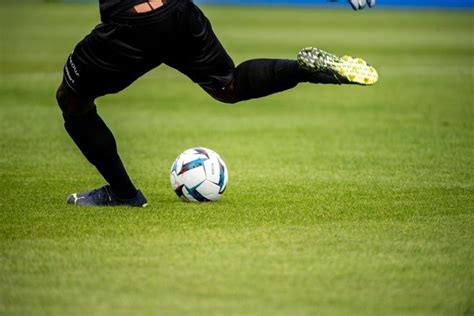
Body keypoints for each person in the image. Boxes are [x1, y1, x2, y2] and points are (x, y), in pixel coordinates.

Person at [57, 0, 378, 207]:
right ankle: (304, 69)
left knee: (72, 99)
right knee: (228, 84)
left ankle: (124, 194)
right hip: (177, 11)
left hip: (132, 24)